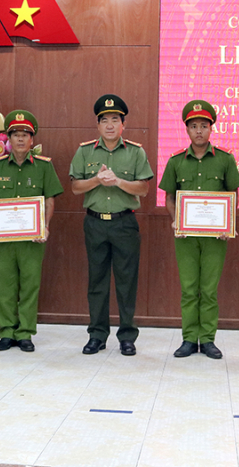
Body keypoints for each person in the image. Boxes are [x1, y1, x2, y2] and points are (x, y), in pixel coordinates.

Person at [69, 94, 154, 356]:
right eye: (104, 120)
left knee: (127, 282)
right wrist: (97, 179)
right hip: (95, 223)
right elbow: (75, 187)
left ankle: (127, 336)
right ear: (97, 125)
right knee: (97, 281)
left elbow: (144, 188)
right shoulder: (85, 151)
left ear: (122, 124)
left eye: (115, 120)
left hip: (124, 223)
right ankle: (97, 335)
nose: (109, 125)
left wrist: (117, 181)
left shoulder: (135, 152)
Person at [158, 100, 239, 360]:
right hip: (185, 236)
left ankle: (207, 339)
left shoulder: (225, 159)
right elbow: (170, 198)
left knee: (208, 289)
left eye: (203, 126)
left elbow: (233, 195)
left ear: (211, 128)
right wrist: (176, 220)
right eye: (193, 126)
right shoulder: (175, 161)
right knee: (188, 288)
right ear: (186, 129)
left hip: (216, 237)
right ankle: (187, 339)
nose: (199, 131)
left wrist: (227, 224)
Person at [0, 110, 64, 352]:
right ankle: (7, 332)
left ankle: (25, 332)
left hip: (32, 240)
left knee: (29, 285)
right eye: (15, 134)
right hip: (3, 239)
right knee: (4, 285)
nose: (20, 139)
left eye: (25, 134)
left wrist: (45, 226)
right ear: (8, 139)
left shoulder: (44, 167)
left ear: (32, 140)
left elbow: (49, 201)